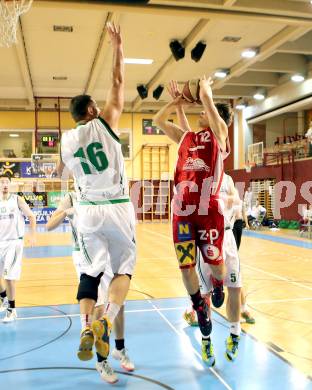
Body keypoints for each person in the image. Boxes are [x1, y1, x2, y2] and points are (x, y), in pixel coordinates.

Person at [58, 22, 136, 374]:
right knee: (123, 272)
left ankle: (90, 326)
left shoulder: (66, 140)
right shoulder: (104, 122)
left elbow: (68, 174)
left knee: (89, 274)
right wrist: (117, 46)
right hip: (117, 206)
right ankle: (109, 320)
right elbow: (118, 83)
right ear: (91, 110)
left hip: (86, 211)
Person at [153, 78, 232, 365]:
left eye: (204, 111)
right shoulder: (188, 138)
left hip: (208, 211)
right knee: (185, 266)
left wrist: (205, 95)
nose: (200, 111)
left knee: (215, 264)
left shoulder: (219, 137)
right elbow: (159, 120)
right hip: (182, 213)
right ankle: (199, 304)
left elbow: (216, 121)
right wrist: (177, 102)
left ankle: (218, 284)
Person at [46, 192, 134, 384]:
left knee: (118, 304)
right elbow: (49, 225)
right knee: (99, 306)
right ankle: (101, 361)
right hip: (85, 256)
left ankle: (120, 348)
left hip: (110, 250)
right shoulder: (70, 197)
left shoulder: (105, 188)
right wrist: (66, 212)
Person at [0, 174, 36, 322]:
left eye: (6, 182)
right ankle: (3, 298)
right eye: (1, 182)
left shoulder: (17, 200)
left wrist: (32, 234)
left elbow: (31, 217)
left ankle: (12, 310)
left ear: (10, 184)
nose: (4, 184)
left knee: (8, 277)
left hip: (13, 243)